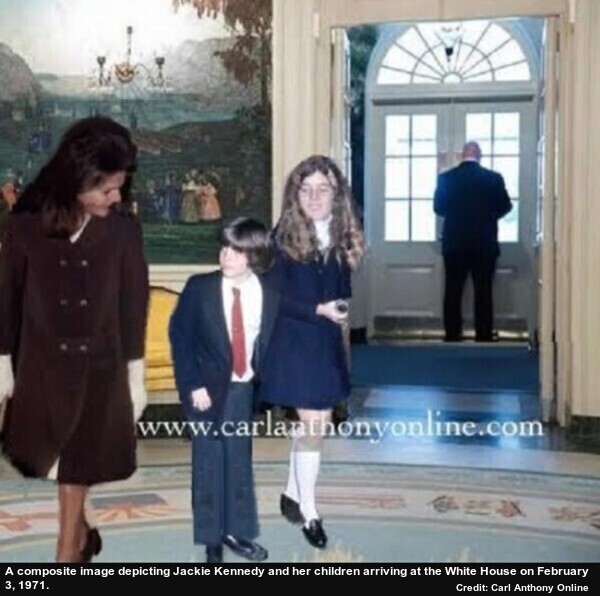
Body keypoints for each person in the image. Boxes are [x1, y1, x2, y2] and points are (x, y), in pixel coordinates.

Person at [0, 116, 150, 563]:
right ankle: (82, 532)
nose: (115, 197)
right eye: (106, 189)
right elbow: (7, 296)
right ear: (77, 181)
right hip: (41, 365)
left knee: (76, 462)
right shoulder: (25, 224)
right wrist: (2, 362)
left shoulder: (123, 230)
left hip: (100, 367)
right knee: (54, 459)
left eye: (120, 187)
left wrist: (135, 375)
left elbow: (133, 305)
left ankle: (66, 551)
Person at [259, 154, 366, 549]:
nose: (315, 197)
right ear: (296, 194)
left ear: (337, 194)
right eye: (307, 190)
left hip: (325, 341)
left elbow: (342, 289)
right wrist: (318, 309)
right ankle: (309, 512)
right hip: (291, 341)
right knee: (315, 426)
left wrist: (338, 307)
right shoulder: (280, 240)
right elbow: (271, 297)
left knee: (313, 427)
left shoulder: (342, 236)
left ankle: (291, 493)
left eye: (323, 189)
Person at [169, 216, 278, 563]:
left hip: (242, 389)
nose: (225, 255)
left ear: (254, 255)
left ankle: (236, 531)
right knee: (208, 462)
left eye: (236, 250)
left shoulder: (269, 292)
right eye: (224, 247)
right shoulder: (199, 287)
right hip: (205, 389)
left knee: (238, 460)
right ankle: (212, 539)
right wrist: (192, 385)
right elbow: (180, 338)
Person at [433, 141, 513, 342]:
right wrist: (488, 217)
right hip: (484, 243)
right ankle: (483, 334)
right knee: (484, 291)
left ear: (462, 155)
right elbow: (506, 206)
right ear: (480, 156)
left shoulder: (446, 178)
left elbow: (439, 208)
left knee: (453, 290)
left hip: (455, 243)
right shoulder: (493, 178)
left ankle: (452, 333)